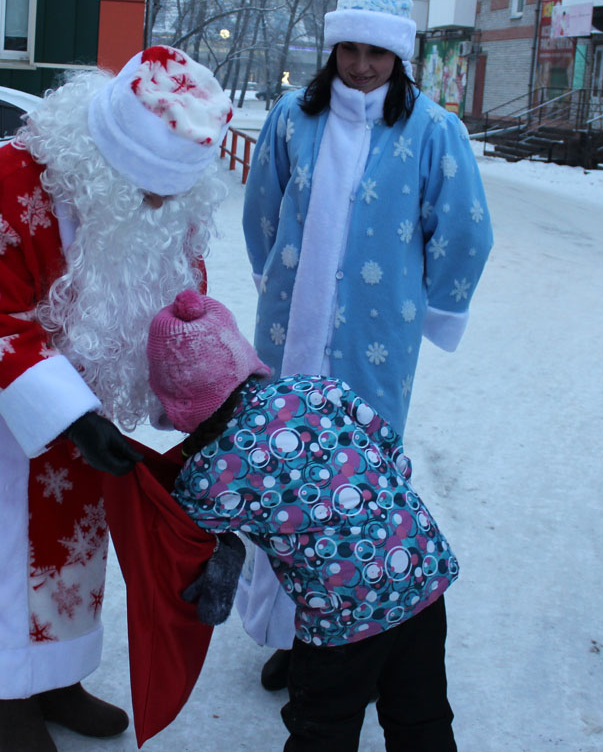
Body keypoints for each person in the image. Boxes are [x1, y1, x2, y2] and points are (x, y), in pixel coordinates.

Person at [0, 46, 232, 752]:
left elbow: (180, 295)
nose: (159, 206)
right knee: (0, 527)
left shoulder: (167, 196)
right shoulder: (1, 183)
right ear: (109, 154)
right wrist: (67, 411)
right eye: (147, 189)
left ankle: (56, 674)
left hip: (86, 387)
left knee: (75, 526)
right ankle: (9, 689)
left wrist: (205, 389)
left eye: (171, 193)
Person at [239, 0, 494, 691]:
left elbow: (466, 230)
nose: (360, 65)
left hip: (375, 343)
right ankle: (289, 629)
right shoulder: (292, 118)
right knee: (285, 477)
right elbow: (263, 206)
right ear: (332, 50)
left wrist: (435, 305)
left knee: (357, 482)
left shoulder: (432, 131)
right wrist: (276, 282)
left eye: (375, 52)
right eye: (348, 49)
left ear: (398, 55)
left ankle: (344, 633)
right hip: (289, 333)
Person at [147, 289, 459, 750]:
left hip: (344, 615)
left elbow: (184, 526)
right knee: (422, 711)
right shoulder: (315, 389)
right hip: (420, 567)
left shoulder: (216, 472)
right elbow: (389, 445)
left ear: (180, 405)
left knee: (324, 725)